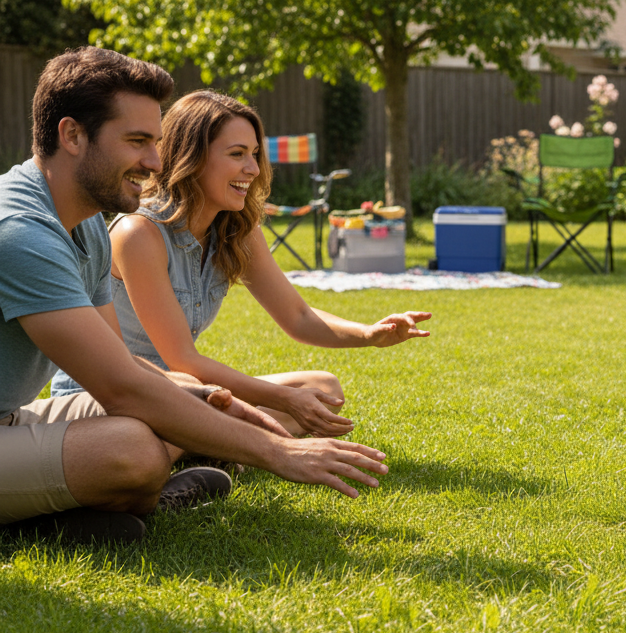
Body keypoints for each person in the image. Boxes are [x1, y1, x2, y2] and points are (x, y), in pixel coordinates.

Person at [0, 47, 389, 544]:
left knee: (148, 430)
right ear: (72, 135)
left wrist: (208, 398)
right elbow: (122, 387)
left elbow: (124, 362)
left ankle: (77, 517)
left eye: (157, 142)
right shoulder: (22, 231)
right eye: (138, 141)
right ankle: (72, 514)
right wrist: (277, 451)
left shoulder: (85, 228)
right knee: (133, 451)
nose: (155, 161)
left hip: (12, 419)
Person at [51, 90, 431, 439]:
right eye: (236, 154)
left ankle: (209, 447)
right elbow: (181, 359)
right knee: (265, 405)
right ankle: (212, 447)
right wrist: (283, 401)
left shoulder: (237, 231)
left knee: (323, 389)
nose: (252, 168)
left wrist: (370, 334)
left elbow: (297, 316)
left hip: (181, 393)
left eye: (254, 154)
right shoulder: (139, 234)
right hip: (111, 399)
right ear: (191, 158)